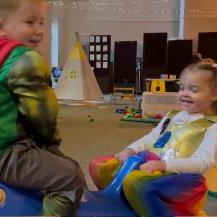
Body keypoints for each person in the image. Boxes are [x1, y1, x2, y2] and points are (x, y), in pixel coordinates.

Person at [0, 0, 87, 216]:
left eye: (41, 22)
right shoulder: (27, 59)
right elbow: (43, 115)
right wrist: (52, 145)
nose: (39, 31)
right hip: (2, 152)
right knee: (72, 178)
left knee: (60, 164)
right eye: (30, 22)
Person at [89, 59, 217, 216]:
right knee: (100, 167)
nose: (184, 94)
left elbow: (202, 163)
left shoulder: (212, 125)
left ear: (214, 94)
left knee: (137, 183)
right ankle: (126, 205)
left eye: (194, 90)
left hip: (184, 181)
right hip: (153, 167)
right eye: (182, 88)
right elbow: (151, 138)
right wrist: (131, 149)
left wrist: (164, 165)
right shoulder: (173, 115)